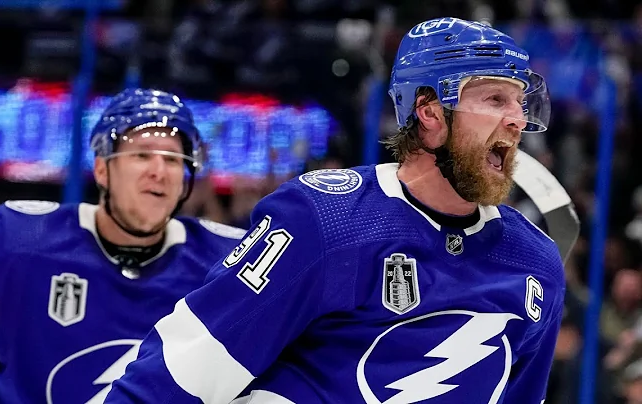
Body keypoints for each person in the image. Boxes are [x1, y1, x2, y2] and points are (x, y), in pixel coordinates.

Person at [105, 17, 565, 404]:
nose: (518, 118)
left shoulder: (536, 262)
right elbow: (186, 368)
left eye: (520, 102)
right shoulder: (326, 219)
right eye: (495, 99)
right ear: (429, 111)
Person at [0, 88, 246, 403]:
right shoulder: (20, 241)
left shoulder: (225, 264)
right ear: (103, 169)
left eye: (173, 159)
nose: (159, 171)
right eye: (142, 154)